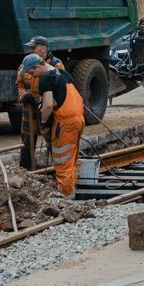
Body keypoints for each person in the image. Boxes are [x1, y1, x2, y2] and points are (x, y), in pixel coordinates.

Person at [26, 54, 85, 198]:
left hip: (64, 123)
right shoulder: (63, 74)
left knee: (62, 164)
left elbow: (48, 105)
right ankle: (72, 193)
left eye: (32, 73)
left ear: (38, 67)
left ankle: (67, 201)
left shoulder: (46, 78)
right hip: (79, 119)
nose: (32, 76)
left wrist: (43, 122)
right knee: (71, 161)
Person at [16, 36, 65, 170]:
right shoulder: (25, 64)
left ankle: (59, 171)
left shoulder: (55, 65)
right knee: (27, 143)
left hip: (48, 111)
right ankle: (26, 173)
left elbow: (61, 88)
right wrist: (24, 95)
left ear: (43, 49)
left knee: (53, 142)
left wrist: (43, 101)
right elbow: (19, 85)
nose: (30, 50)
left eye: (33, 48)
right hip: (29, 111)